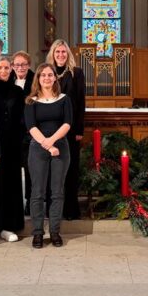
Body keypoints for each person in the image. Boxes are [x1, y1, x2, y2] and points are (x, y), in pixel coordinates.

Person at [24, 63, 73, 248]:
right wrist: (46, 145)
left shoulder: (64, 99)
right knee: (37, 192)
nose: (46, 78)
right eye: (43, 75)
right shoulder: (30, 100)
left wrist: (52, 141)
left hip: (60, 146)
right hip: (38, 147)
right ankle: (37, 233)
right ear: (38, 78)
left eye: (50, 75)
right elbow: (31, 126)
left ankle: (54, 231)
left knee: (57, 192)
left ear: (55, 78)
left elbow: (68, 123)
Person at [0, 55, 26, 243]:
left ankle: (9, 227)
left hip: (13, 146)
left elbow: (21, 119)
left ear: (12, 70)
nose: (3, 71)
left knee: (11, 185)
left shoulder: (18, 91)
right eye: (0, 67)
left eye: (7, 68)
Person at [46, 39, 85, 220]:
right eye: (57, 52)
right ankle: (53, 209)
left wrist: (79, 130)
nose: (60, 55)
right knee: (52, 169)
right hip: (50, 130)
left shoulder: (76, 73)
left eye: (63, 52)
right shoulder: (47, 73)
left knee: (70, 169)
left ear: (68, 54)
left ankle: (70, 209)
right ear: (52, 54)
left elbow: (80, 103)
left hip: (70, 130)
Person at [12, 50, 35, 214]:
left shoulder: (35, 81)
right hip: (12, 133)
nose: (20, 67)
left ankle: (30, 202)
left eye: (24, 64)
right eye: (17, 64)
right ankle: (14, 204)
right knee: (13, 170)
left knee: (30, 169)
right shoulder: (8, 79)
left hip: (29, 131)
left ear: (29, 65)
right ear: (12, 66)